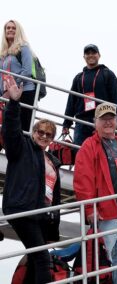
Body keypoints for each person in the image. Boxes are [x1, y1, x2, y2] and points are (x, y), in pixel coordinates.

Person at [74, 102, 117, 284]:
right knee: (103, 259)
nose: (107, 123)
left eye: (111, 118)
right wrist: (90, 208)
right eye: (103, 119)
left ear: (116, 121)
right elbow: (83, 180)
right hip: (106, 212)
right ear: (95, 122)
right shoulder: (88, 146)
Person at [2, 76, 61, 283]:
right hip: (22, 209)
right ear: (33, 132)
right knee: (43, 259)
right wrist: (14, 103)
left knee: (36, 258)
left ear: (52, 139)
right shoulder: (22, 147)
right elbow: (10, 129)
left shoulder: (53, 161)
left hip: (40, 214)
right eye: (40, 132)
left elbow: (55, 197)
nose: (44, 136)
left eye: (49, 134)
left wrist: (53, 223)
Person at [62, 44, 117, 146]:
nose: (90, 55)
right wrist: (66, 123)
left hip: (104, 119)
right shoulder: (78, 77)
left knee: (104, 154)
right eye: (87, 53)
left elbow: (116, 97)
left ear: (99, 55)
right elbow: (71, 102)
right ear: (84, 57)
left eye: (93, 53)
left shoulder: (108, 74)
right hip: (82, 122)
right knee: (80, 153)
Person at [0, 20, 36, 132]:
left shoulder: (23, 47)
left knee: (22, 129)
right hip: (7, 96)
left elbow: (27, 71)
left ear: (18, 31)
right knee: (8, 128)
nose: (10, 30)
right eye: (8, 28)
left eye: (13, 28)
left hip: (25, 92)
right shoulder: (3, 53)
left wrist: (10, 89)